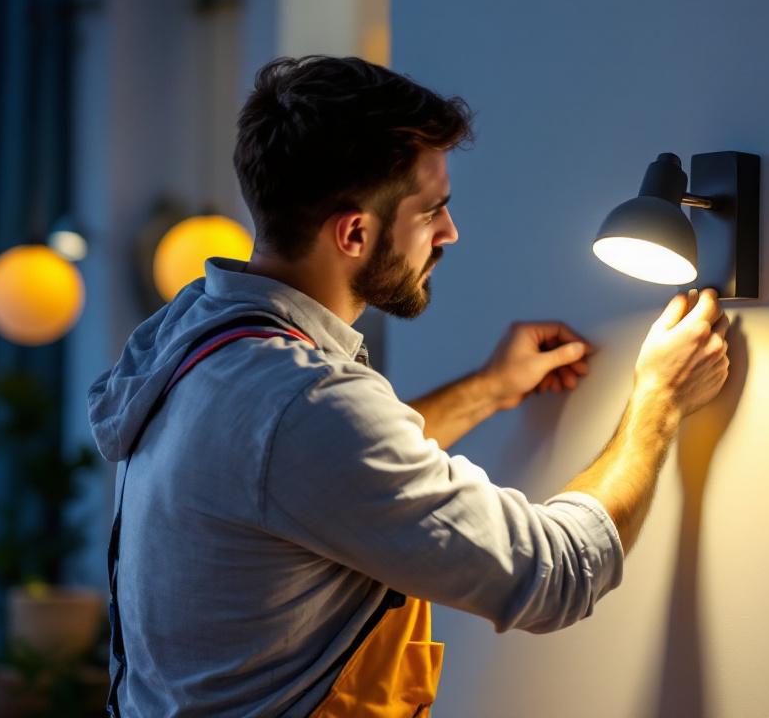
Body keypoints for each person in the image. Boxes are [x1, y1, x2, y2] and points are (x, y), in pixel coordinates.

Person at [87, 55, 730, 717]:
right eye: (431, 212)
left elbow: (318, 474)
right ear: (355, 232)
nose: (450, 232)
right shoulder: (304, 404)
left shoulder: (200, 341)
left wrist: (490, 388)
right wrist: (658, 402)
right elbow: (554, 574)